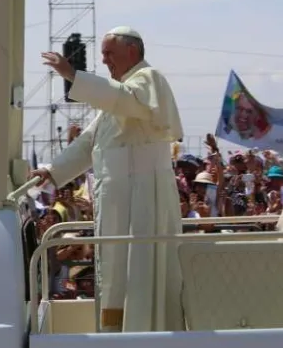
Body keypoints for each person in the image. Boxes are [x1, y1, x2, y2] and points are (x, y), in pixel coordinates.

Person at [31, 26, 184, 332]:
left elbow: (122, 99)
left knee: (139, 272)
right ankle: (118, 332)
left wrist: (73, 74)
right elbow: (89, 142)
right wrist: (53, 170)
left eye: (108, 53)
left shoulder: (147, 80)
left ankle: (142, 333)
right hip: (119, 205)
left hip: (143, 203)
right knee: (116, 273)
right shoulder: (120, 94)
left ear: (132, 51)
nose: (104, 60)